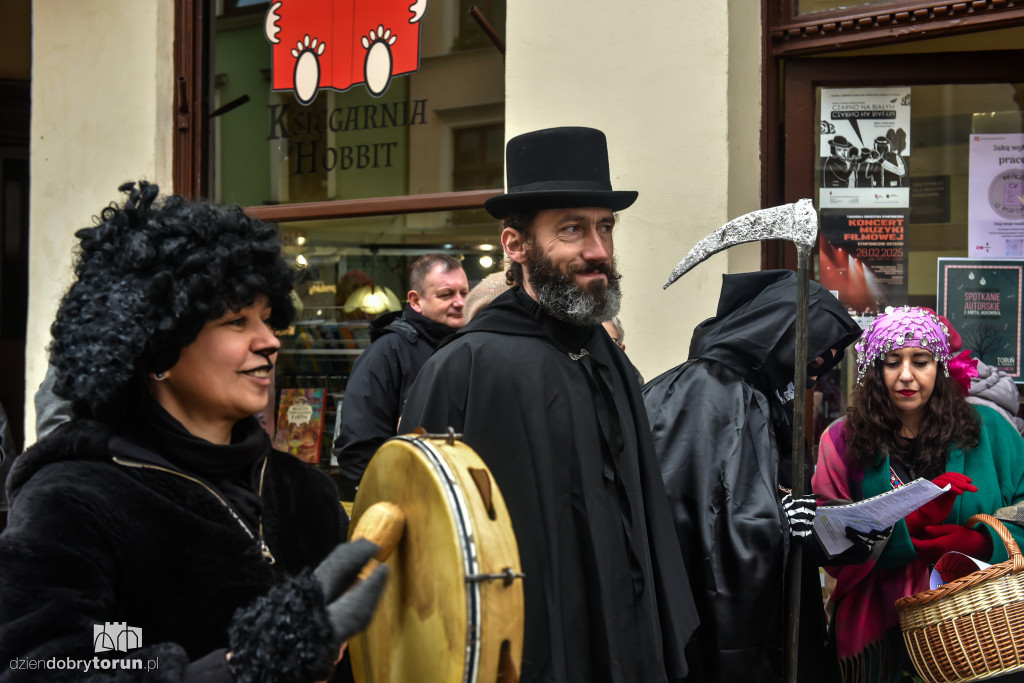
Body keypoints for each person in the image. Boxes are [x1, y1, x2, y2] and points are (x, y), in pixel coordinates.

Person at [0, 182, 388, 682]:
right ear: (158, 346)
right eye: (235, 321)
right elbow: (47, 665)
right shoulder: (72, 502)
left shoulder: (304, 493)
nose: (269, 341)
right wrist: (239, 667)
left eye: (268, 319)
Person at [398, 126, 698, 683]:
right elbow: (425, 557)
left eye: (605, 227)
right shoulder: (463, 370)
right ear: (516, 245)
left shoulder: (609, 361)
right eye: (571, 229)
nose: (599, 250)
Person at [641, 269, 863, 683]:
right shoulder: (708, 391)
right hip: (714, 626)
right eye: (813, 355)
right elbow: (696, 521)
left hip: (761, 612)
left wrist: (825, 531)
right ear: (779, 337)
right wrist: (786, 525)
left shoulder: (749, 394)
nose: (815, 374)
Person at [812, 306, 1024, 682]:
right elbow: (826, 541)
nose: (906, 375)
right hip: (875, 635)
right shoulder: (841, 440)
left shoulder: (992, 430)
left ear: (941, 367)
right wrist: (901, 532)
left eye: (921, 361)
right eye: (892, 362)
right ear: (874, 371)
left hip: (977, 631)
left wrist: (981, 542)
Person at [333, 253, 468, 489]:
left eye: (464, 293)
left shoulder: (466, 347)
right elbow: (358, 447)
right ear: (415, 301)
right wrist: (400, 497)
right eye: (446, 294)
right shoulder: (385, 354)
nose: (459, 302)